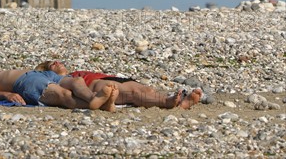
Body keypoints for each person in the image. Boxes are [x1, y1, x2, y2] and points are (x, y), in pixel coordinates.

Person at [36, 60, 202, 110]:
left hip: (111, 77)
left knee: (146, 90)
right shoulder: (56, 81)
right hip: (96, 85)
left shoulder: (75, 73)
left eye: (57, 61)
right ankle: (169, 102)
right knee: (134, 93)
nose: (57, 62)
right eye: (52, 64)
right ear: (47, 71)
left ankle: (180, 103)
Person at [0, 67, 118, 111]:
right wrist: (6, 95)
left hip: (43, 74)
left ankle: (94, 99)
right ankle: (94, 103)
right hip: (25, 81)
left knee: (77, 81)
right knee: (62, 94)